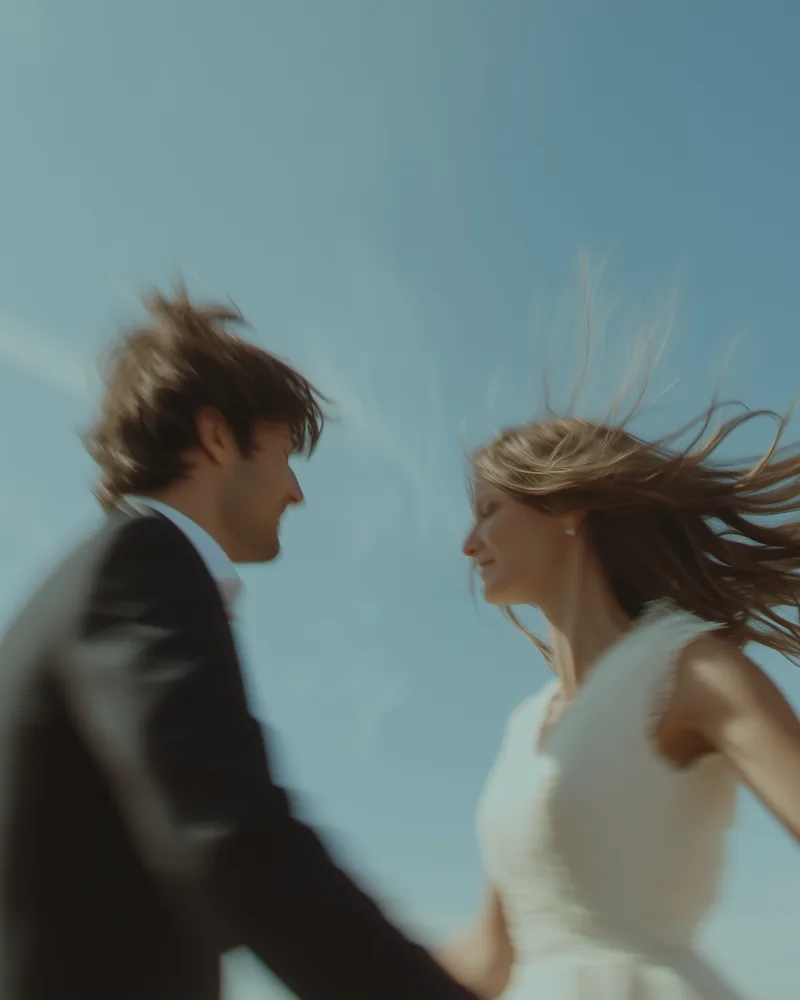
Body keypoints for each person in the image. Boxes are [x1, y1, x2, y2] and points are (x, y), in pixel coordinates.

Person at [0, 288, 480, 1000]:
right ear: (218, 436)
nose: (297, 491)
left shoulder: (100, 574)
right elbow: (235, 839)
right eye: (287, 454)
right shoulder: (143, 563)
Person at [437, 403, 800, 999]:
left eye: (488, 511)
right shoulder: (524, 724)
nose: (468, 543)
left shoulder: (690, 668)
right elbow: (490, 955)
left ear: (567, 506)